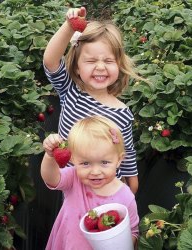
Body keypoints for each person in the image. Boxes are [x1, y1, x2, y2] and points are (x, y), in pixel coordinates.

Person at [43, 6, 145, 194]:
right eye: (91, 61)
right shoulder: (70, 91)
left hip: (105, 187)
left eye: (108, 61)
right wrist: (69, 26)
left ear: (119, 65)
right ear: (76, 67)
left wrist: (132, 186)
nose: (100, 67)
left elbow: (127, 154)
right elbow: (50, 61)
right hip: (72, 184)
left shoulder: (122, 113)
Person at [41, 115, 139, 250]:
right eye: (85, 163)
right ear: (74, 160)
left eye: (104, 162)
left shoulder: (126, 197)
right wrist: (50, 156)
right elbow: (50, 178)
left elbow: (132, 230)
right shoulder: (74, 178)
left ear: (119, 160)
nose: (95, 171)